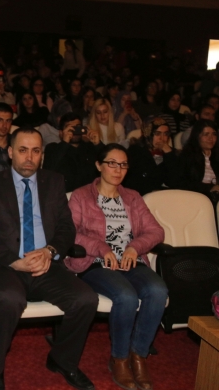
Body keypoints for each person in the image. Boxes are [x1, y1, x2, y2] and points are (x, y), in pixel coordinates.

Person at [0, 127, 98, 390]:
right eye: (22, 150)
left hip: (45, 263)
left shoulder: (54, 181)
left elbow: (66, 228)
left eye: (35, 151)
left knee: (86, 299)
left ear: (42, 154)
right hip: (3, 265)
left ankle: (62, 360)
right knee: (10, 299)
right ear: (10, 152)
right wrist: (15, 261)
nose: (29, 157)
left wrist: (49, 251)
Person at [67, 143, 167, 390]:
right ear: (98, 165)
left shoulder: (132, 197)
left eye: (123, 165)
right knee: (126, 296)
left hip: (130, 261)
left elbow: (156, 231)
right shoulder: (81, 196)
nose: (118, 169)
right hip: (95, 263)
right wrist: (101, 248)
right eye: (112, 163)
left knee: (158, 290)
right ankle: (119, 358)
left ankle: (139, 355)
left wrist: (134, 247)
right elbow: (70, 233)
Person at [44, 113, 103, 192]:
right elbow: (48, 171)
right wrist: (65, 143)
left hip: (91, 193)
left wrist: (98, 144)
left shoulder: (90, 147)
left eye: (77, 127)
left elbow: (108, 163)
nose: (74, 131)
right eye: (69, 128)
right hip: (65, 194)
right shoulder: (53, 148)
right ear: (61, 133)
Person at [124, 117, 177, 196]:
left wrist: (169, 155)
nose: (162, 138)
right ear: (148, 134)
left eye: (166, 134)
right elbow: (140, 181)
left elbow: (174, 181)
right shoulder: (136, 151)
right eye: (157, 134)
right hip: (142, 195)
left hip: (165, 194)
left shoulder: (171, 152)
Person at [174, 120, 219, 201]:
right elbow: (181, 183)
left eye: (214, 134)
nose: (211, 138)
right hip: (194, 198)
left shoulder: (216, 155)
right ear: (197, 136)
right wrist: (210, 187)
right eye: (206, 134)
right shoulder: (187, 156)